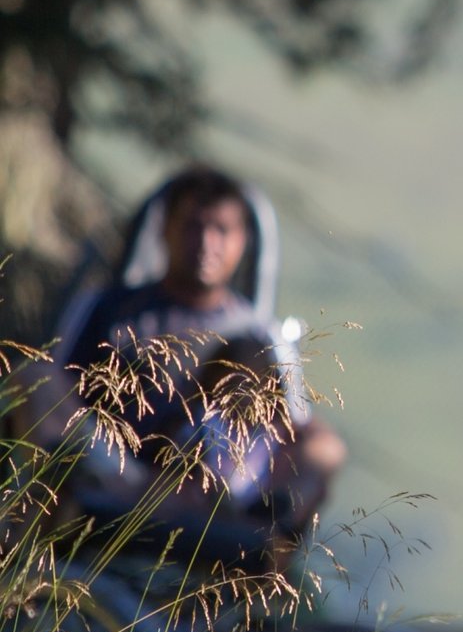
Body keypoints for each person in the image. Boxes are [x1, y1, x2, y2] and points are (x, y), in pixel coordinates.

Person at [10, 165, 346, 543]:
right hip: (110, 471)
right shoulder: (106, 308)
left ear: (242, 241)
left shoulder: (260, 336)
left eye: (221, 229)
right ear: (164, 229)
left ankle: (259, 558)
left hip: (217, 491)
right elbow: (56, 388)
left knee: (324, 447)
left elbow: (293, 431)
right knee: (33, 379)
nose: (205, 242)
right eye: (192, 226)